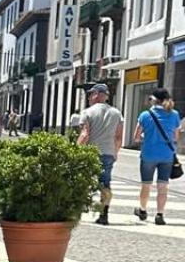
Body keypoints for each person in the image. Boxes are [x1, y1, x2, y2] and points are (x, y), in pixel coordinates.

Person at [76, 82, 123, 225]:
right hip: (108, 153)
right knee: (105, 184)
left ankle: (80, 208)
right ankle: (104, 214)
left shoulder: (87, 112)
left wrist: (76, 151)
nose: (89, 97)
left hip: (90, 153)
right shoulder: (117, 113)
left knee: (82, 180)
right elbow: (118, 137)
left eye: (91, 94)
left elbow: (85, 134)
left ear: (96, 95)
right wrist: (115, 153)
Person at [134, 87, 181, 225]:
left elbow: (136, 137)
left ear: (154, 100)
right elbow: (175, 137)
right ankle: (160, 215)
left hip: (148, 154)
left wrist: (147, 137)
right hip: (167, 155)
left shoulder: (145, 115)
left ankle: (142, 210)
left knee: (146, 185)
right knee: (163, 186)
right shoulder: (174, 115)